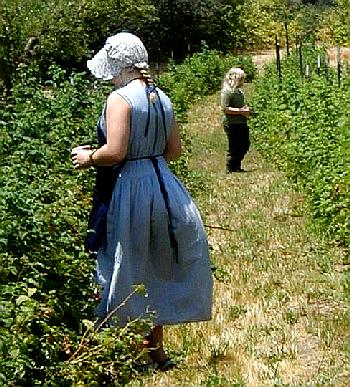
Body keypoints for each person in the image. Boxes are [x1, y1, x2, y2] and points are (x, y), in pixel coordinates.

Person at [71, 32, 213, 370]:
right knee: (158, 265)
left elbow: (115, 151)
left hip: (131, 186)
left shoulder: (120, 99)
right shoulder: (160, 97)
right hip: (164, 182)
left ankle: (122, 350)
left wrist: (88, 156)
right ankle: (156, 352)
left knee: (125, 262)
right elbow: (174, 151)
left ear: (118, 67)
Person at [220, 67, 253, 172]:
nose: (243, 82)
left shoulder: (239, 92)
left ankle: (236, 165)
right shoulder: (227, 91)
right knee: (234, 145)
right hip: (232, 123)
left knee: (245, 144)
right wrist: (240, 111)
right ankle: (231, 166)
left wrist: (247, 110)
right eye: (241, 79)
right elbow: (225, 108)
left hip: (242, 122)